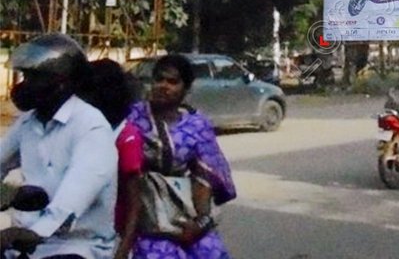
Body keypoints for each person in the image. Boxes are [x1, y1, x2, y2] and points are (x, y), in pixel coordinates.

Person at [0, 34, 118, 259]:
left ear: (61, 82)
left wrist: (29, 233)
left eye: (34, 78)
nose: (25, 86)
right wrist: (6, 194)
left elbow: (70, 203)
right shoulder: (29, 122)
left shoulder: (91, 127)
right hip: (25, 244)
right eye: (25, 77)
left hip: (77, 246)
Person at [127, 54, 236, 259]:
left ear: (186, 89)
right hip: (143, 215)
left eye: (172, 81)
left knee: (210, 251)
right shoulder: (132, 116)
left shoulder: (196, 125)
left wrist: (200, 224)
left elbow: (205, 178)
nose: (163, 86)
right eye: (159, 79)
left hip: (182, 210)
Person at [81, 59, 143, 259]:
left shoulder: (125, 137)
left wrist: (123, 250)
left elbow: (134, 203)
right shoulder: (82, 130)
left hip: (109, 238)